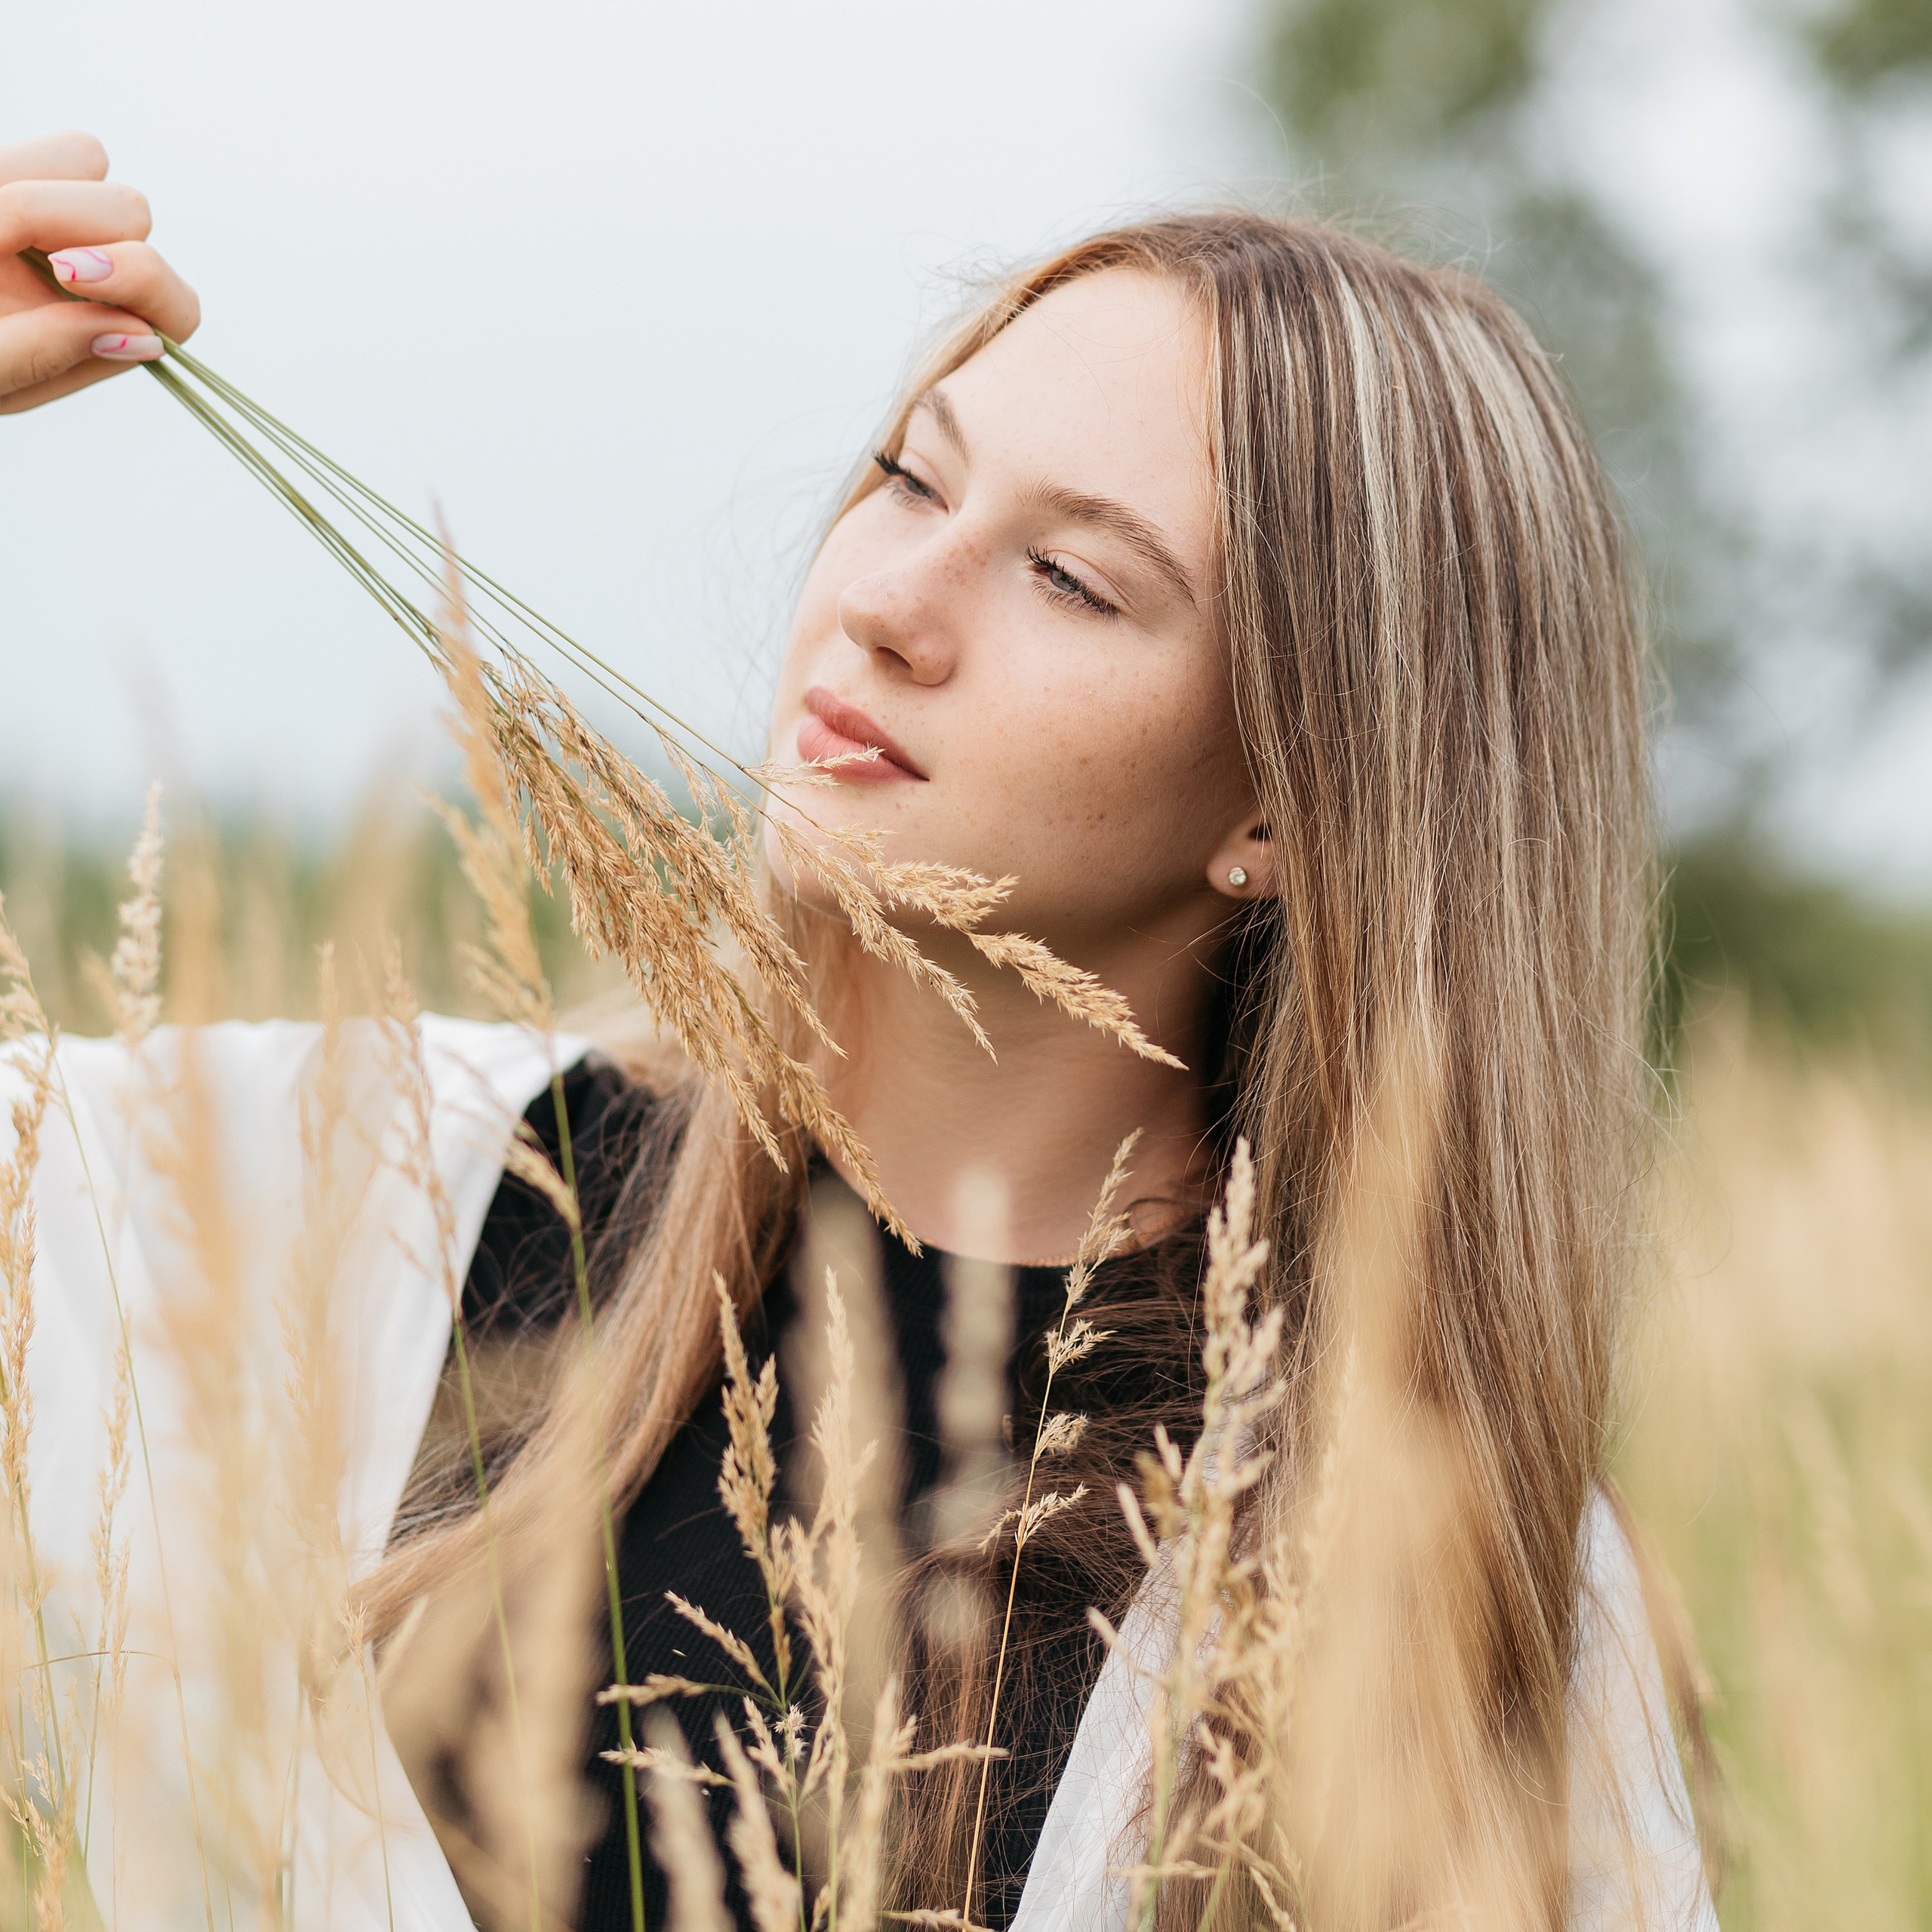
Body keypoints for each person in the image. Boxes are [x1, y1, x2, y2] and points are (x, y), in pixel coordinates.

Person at [2, 129, 1715, 1930]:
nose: (885, 605)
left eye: (1069, 579)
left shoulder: (1434, 1576)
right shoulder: (372, 1183)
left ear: (1283, 811)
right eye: (911, 477)